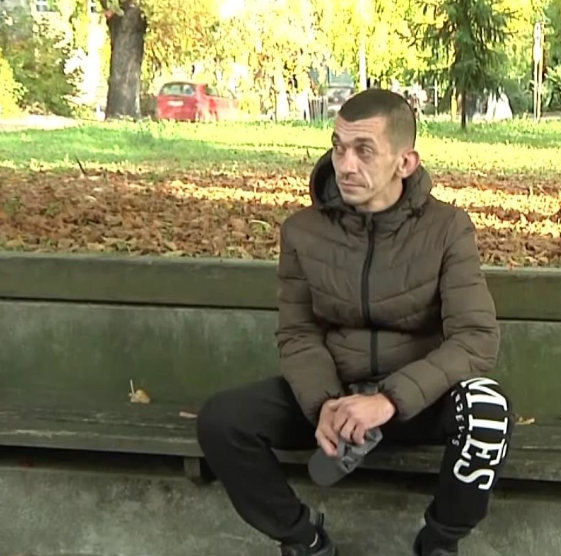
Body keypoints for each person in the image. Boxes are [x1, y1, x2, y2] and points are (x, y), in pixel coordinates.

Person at [196, 88, 514, 556]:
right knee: (223, 421)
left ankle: (439, 543)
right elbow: (298, 333)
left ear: (405, 163)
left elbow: (475, 339)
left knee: (488, 409)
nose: (345, 165)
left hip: (416, 402)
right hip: (337, 394)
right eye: (338, 147)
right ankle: (304, 540)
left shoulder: (447, 228)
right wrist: (324, 404)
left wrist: (388, 400)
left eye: (364, 151)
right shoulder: (303, 231)